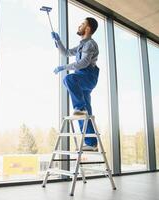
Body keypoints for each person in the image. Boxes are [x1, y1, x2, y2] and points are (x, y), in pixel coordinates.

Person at [51, 17, 99, 151]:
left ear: (88, 28)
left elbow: (84, 63)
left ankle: (80, 108)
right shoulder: (81, 45)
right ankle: (91, 143)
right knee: (85, 112)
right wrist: (58, 40)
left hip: (88, 76)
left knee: (68, 79)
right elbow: (66, 52)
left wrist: (63, 67)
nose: (80, 25)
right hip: (82, 78)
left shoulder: (90, 44)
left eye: (82, 24)